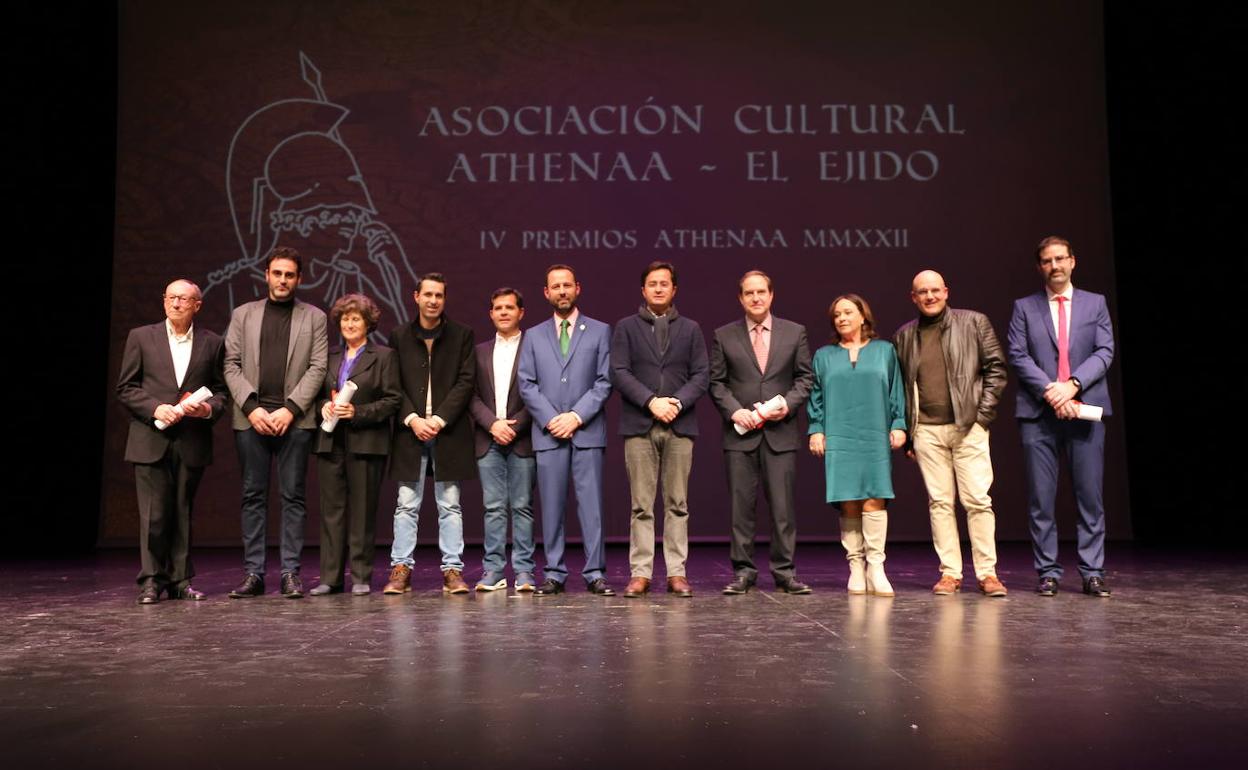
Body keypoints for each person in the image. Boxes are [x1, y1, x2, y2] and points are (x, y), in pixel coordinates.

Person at [1007, 236, 1115, 597]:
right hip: (1039, 414)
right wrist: (1052, 391)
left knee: (1090, 497)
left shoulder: (1095, 304)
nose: (1054, 266)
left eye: (1060, 259)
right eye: (1047, 261)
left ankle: (1093, 571)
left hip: (1085, 409)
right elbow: (1018, 354)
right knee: (1041, 500)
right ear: (1039, 267)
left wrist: (1074, 385)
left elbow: (1105, 351)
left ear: (1072, 261)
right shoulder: (1024, 307)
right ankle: (1048, 572)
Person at [893, 270, 1009, 597]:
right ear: (913, 297)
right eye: (922, 292)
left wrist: (981, 418)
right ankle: (950, 573)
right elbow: (901, 388)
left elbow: (996, 370)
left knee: (977, 501)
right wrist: (910, 434)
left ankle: (987, 573)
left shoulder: (973, 323)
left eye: (935, 290)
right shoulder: (904, 336)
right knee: (940, 503)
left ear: (946, 292)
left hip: (968, 427)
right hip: (927, 431)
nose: (929, 296)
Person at [223, 246, 328, 599]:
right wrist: (252, 408)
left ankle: (290, 573)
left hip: (294, 421)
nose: (283, 280)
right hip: (251, 419)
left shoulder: (314, 317)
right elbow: (230, 364)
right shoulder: (243, 314)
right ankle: (253, 574)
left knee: (293, 497)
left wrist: (291, 409)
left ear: (299, 279)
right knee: (252, 496)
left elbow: (318, 367)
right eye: (277, 273)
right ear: (266, 275)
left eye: (289, 275)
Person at [117, 279, 227, 604]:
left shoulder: (212, 342)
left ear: (197, 305)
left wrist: (207, 409)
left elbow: (221, 391)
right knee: (153, 515)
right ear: (164, 301)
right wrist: (155, 408)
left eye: (184, 299)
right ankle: (152, 580)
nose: (177, 303)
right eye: (171, 297)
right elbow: (126, 388)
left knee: (182, 512)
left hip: (191, 440)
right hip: (150, 437)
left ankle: (180, 580)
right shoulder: (141, 337)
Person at [709, 270, 814, 595]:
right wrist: (734, 410)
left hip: (780, 432)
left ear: (771, 295)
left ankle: (784, 572)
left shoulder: (794, 332)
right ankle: (743, 571)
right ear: (741, 298)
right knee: (741, 510)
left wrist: (788, 405)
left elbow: (805, 378)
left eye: (761, 292)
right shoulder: (724, 335)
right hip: (740, 435)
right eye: (749, 293)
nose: (755, 298)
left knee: (783, 509)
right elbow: (717, 383)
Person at [611, 261, 709, 598]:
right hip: (639, 424)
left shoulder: (691, 329)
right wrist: (651, 401)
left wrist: (676, 403)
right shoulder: (626, 327)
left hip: (680, 425)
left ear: (674, 289)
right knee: (641, 505)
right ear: (643, 290)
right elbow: (619, 372)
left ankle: (676, 573)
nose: (658, 288)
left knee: (677, 503)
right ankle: (640, 573)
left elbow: (701, 375)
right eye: (652, 283)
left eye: (664, 283)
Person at [517, 264, 615, 596]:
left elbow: (604, 381)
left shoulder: (600, 331)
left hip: (586, 431)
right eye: (555, 286)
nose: (562, 291)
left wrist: (575, 416)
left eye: (567, 285)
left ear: (577, 288)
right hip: (549, 434)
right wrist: (551, 419)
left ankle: (595, 572)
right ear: (546, 293)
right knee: (551, 507)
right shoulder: (533, 335)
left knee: (591, 507)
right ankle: (555, 572)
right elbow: (527, 384)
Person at [807, 294, 906, 597]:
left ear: (863, 316)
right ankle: (855, 566)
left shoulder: (884, 351)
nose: (842, 318)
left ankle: (876, 566)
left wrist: (899, 423)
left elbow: (896, 389)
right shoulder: (824, 356)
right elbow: (815, 395)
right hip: (839, 433)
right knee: (848, 497)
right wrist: (816, 429)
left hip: (874, 431)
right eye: (837, 315)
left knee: (875, 495)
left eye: (848, 312)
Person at [384, 273, 477, 595]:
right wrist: (413, 419)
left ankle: (452, 569)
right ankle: (401, 568)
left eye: (439, 295)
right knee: (406, 505)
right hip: (410, 431)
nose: (433, 300)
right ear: (416, 297)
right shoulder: (398, 336)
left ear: (444, 299)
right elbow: (392, 383)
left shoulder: (462, 335)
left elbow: (466, 382)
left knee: (450, 505)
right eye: (428, 294)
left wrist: (438, 419)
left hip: (447, 431)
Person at [309, 294, 401, 596]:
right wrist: (323, 405)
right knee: (331, 512)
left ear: (368, 323)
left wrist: (358, 412)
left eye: (356, 319)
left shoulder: (384, 356)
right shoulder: (329, 356)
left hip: (366, 443)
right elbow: (316, 395)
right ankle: (330, 578)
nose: (349, 324)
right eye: (345, 318)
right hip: (330, 440)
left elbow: (393, 400)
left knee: (362, 512)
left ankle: (361, 576)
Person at [468, 288, 537, 592]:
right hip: (488, 438)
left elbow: (540, 392)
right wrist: (492, 424)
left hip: (522, 439)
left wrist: (515, 426)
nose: (504, 312)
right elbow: (470, 395)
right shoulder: (479, 351)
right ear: (491, 314)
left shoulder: (534, 348)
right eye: (498, 308)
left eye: (510, 307)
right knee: (493, 507)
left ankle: (524, 570)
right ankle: (494, 570)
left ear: (521, 312)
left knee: (522, 506)